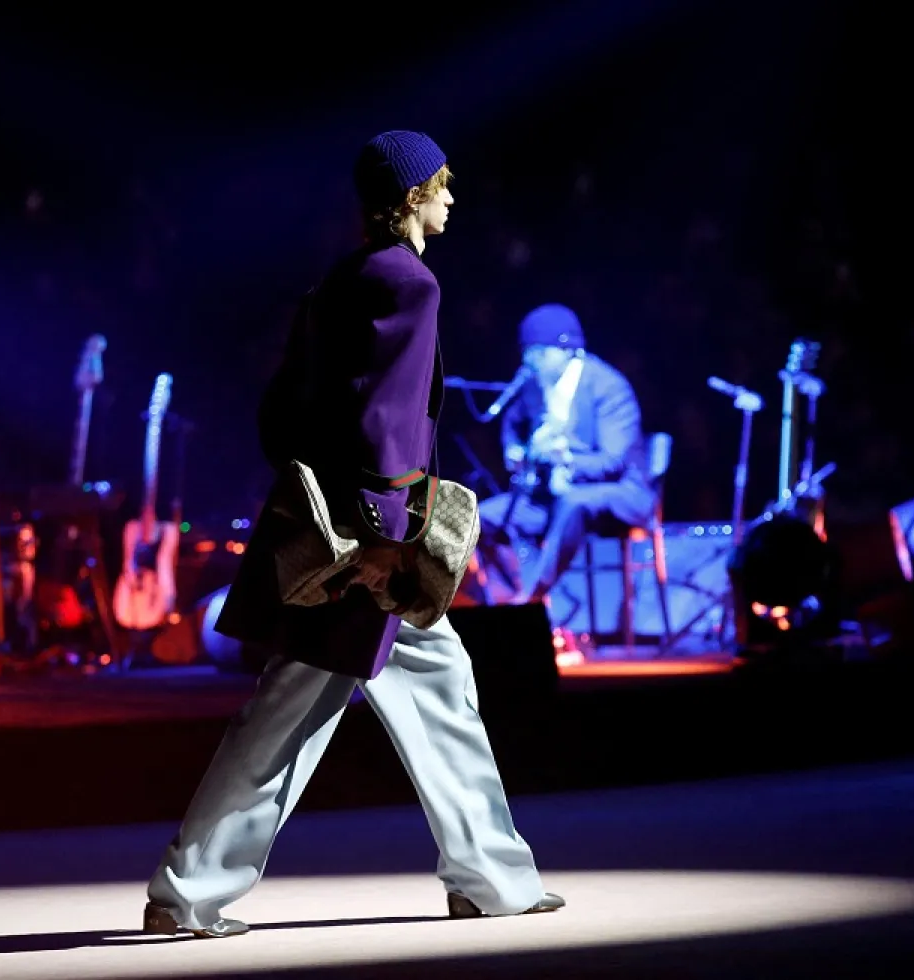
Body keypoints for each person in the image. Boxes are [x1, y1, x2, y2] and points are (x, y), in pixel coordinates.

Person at [142, 130, 563, 939]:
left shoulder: (338, 280)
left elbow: (282, 412)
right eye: (441, 186)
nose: (451, 199)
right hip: (374, 550)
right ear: (411, 196)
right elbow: (388, 422)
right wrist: (381, 540)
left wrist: (322, 502)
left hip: (338, 535)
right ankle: (187, 891)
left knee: (431, 694)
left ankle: (492, 876)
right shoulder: (412, 282)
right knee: (289, 718)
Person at [476, 305, 656, 605]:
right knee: (480, 520)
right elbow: (512, 421)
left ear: (567, 349)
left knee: (573, 504)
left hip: (618, 491)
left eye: (539, 353)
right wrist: (514, 450)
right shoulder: (535, 386)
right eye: (527, 353)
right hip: (552, 495)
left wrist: (564, 458)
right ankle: (506, 599)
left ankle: (530, 600)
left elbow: (613, 462)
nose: (530, 362)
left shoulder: (608, 387)